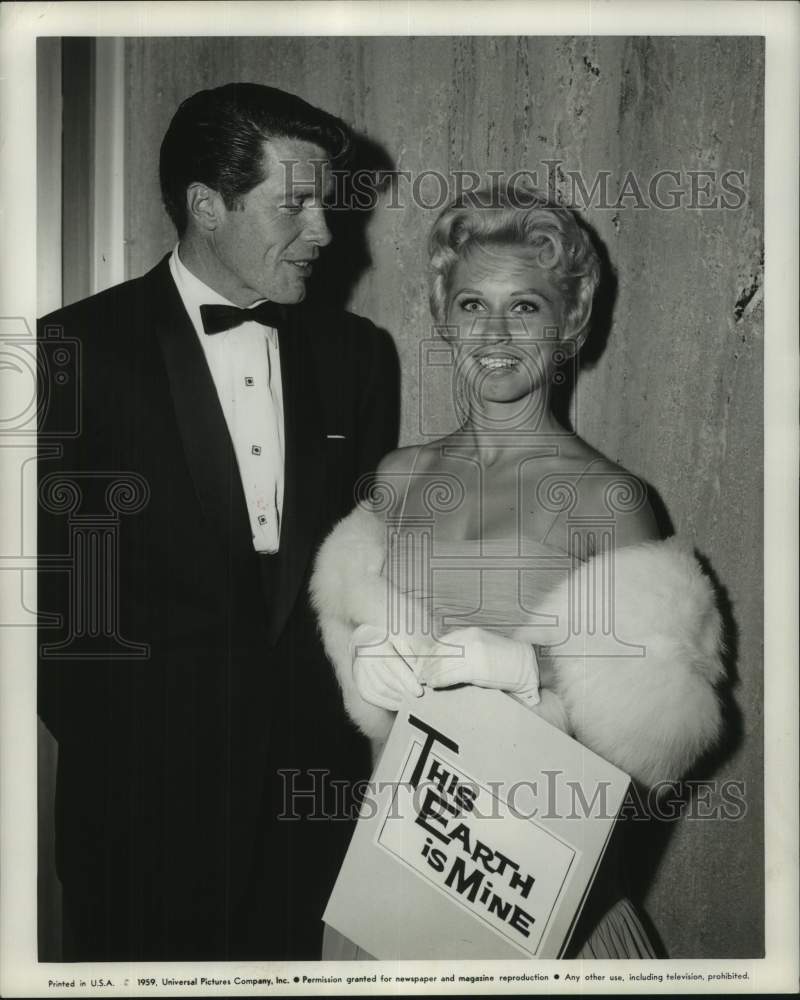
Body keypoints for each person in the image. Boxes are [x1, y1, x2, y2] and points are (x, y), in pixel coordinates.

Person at [311, 181, 725, 958]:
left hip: (539, 913)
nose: (494, 331)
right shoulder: (395, 478)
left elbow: (654, 754)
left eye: (525, 306)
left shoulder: (611, 498)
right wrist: (362, 662)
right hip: (392, 894)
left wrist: (533, 671)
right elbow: (361, 682)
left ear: (570, 322)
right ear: (443, 317)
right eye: (471, 304)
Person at [37, 83, 399, 961]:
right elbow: (56, 617)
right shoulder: (69, 352)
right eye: (296, 203)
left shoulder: (360, 358)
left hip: (312, 820)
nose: (322, 231)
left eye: (325, 202)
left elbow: (359, 577)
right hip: (140, 822)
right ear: (207, 204)